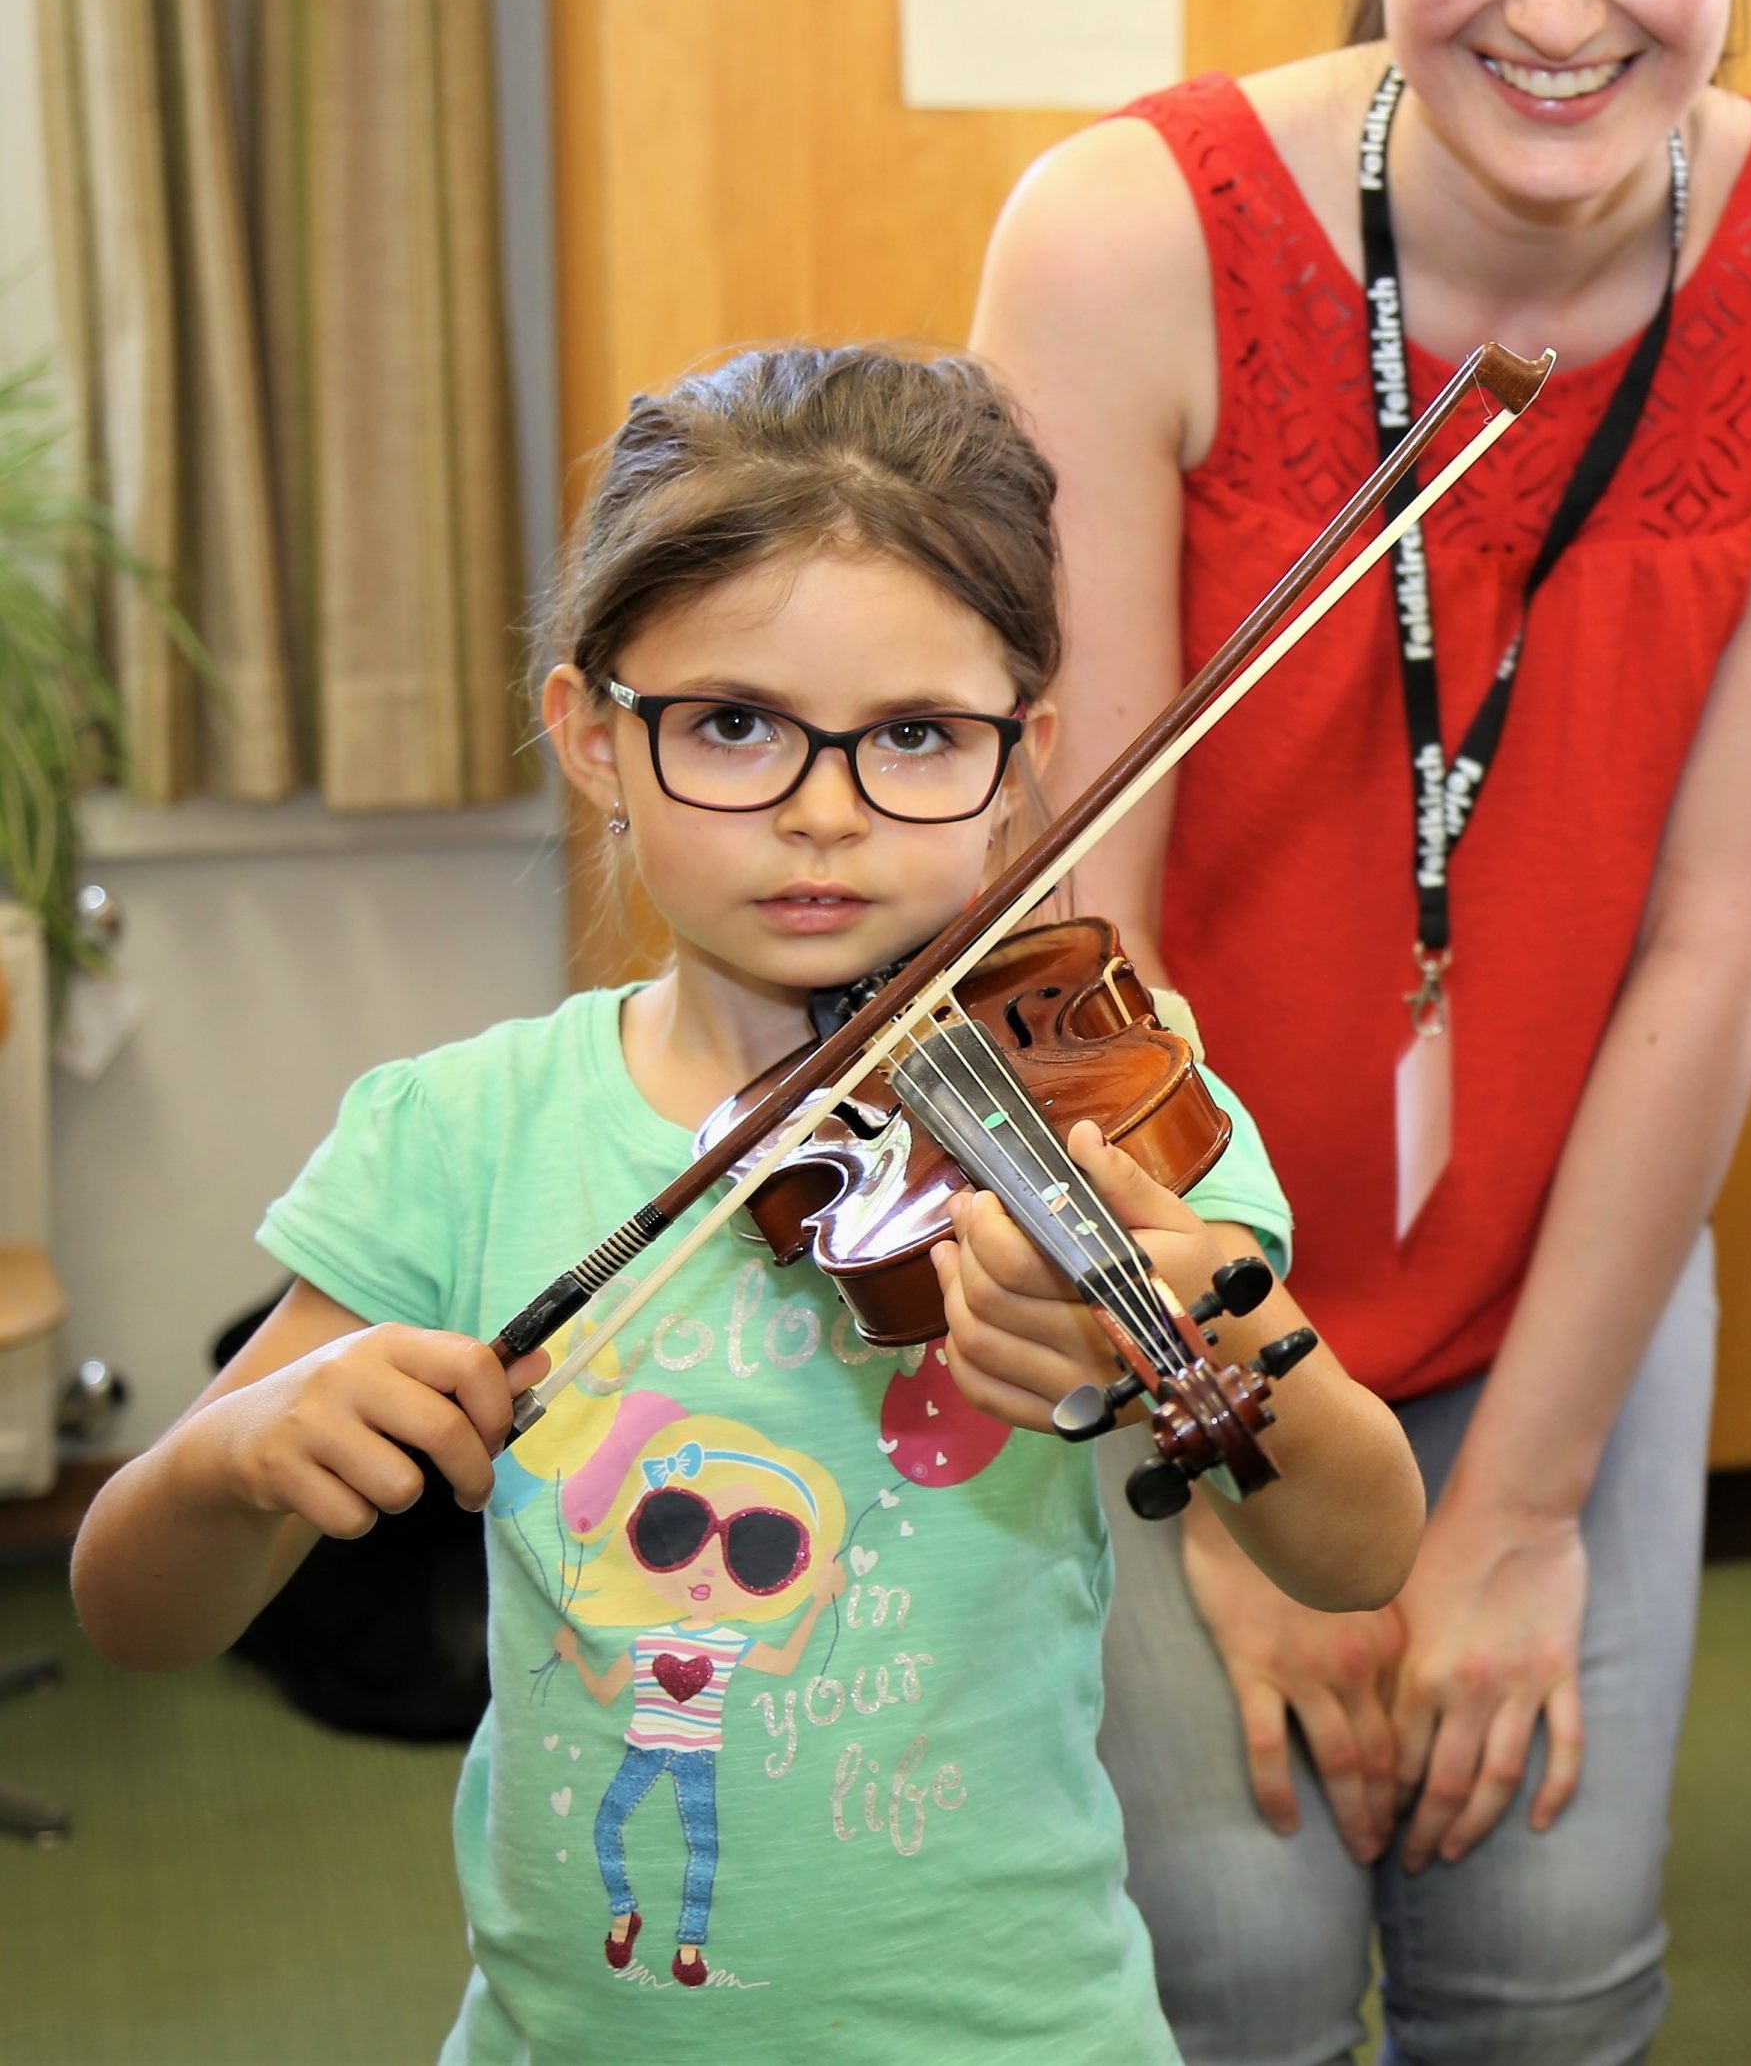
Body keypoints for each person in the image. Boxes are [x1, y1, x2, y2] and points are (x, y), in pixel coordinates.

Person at [970, 0, 1751, 2062]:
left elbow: (1717, 940)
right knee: (1231, 1957)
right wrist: (1229, 1453)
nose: (1556, 6)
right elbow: (1070, 936)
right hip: (1166, 1256)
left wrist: (1515, 1508)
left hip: (1573, 1252)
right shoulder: (1121, 236)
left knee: (1547, 1968)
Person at [72, 345, 1425, 2060]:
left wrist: (1221, 1342)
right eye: (733, 726)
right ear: (593, 736)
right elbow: (137, 1611)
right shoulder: (464, 1136)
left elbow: (1357, 1552)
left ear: (1024, 757)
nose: (822, 815)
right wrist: (233, 1460)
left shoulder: (1096, 1108)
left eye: (915, 737)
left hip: (1012, 2030)